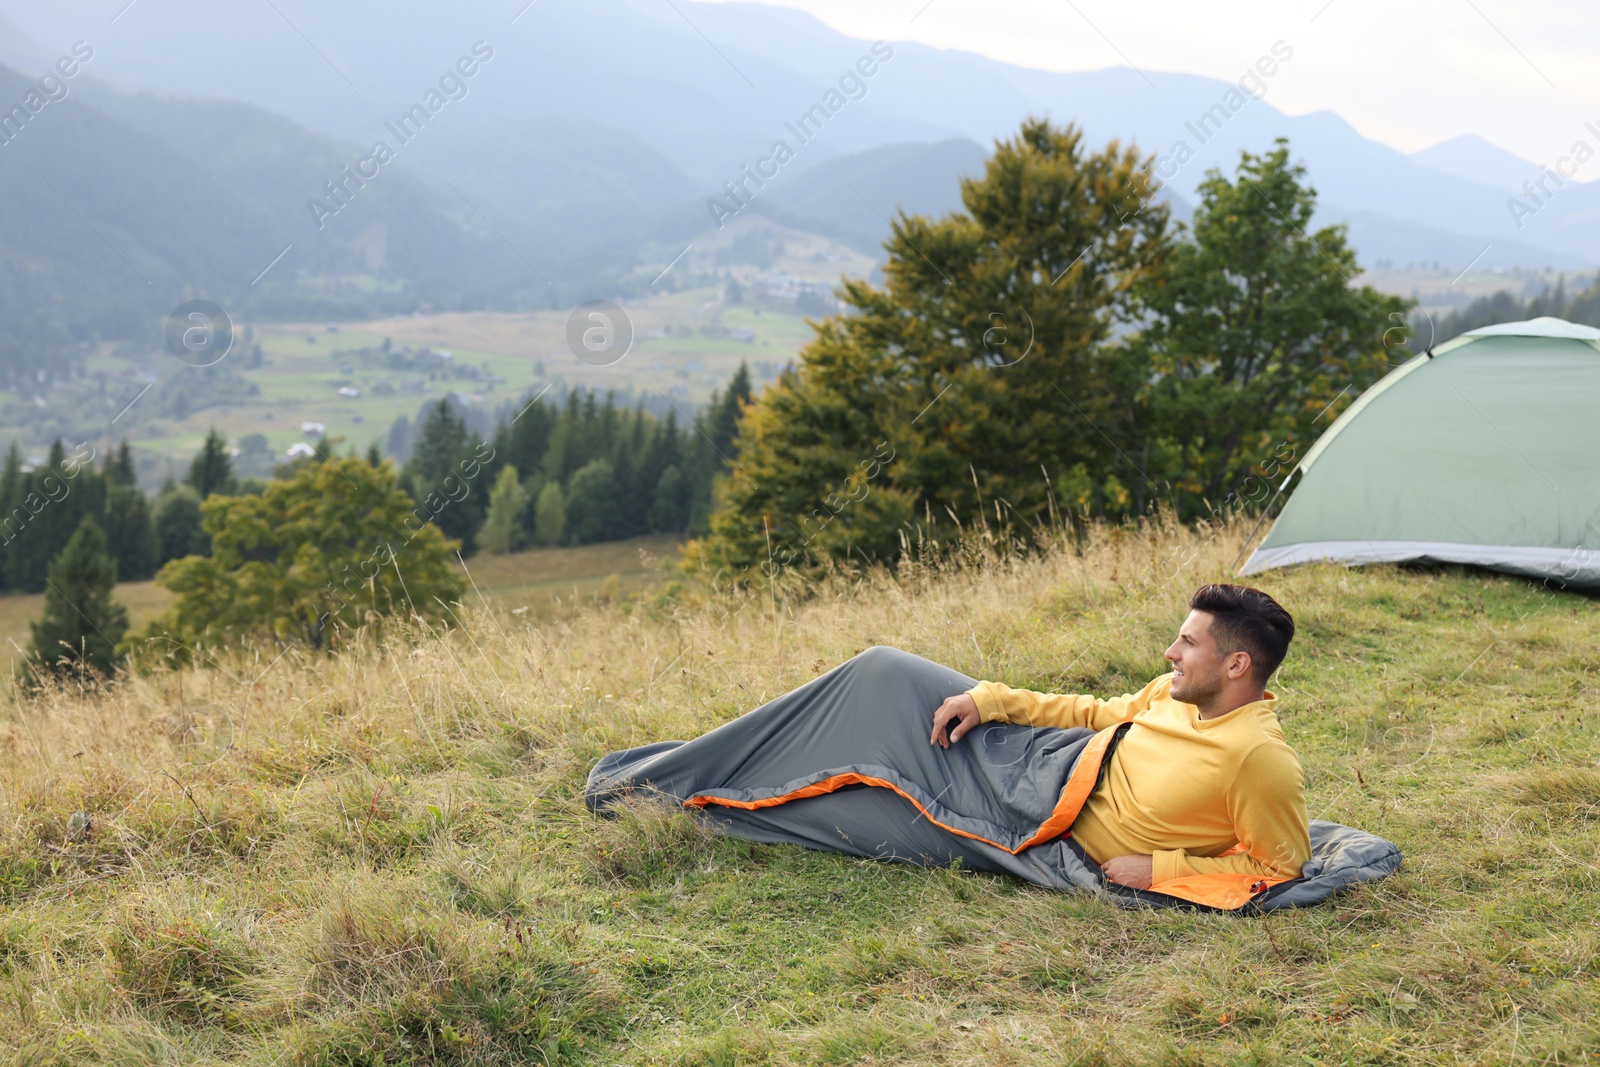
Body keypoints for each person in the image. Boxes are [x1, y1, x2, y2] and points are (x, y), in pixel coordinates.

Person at [928, 583, 1309, 890]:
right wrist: (992, 700)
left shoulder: (1258, 757)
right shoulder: (1172, 692)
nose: (1170, 652)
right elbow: (1092, 713)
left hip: (1050, 841)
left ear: (1236, 664)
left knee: (886, 804)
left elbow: (1283, 864)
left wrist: (1162, 869)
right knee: (897, 674)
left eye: (1188, 643)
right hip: (1049, 774)